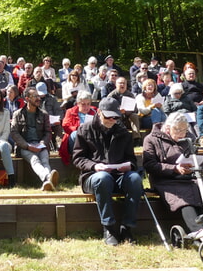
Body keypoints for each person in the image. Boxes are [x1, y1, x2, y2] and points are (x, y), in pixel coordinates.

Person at [72, 97, 142, 246]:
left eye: (116, 117)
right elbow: (78, 159)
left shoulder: (123, 132)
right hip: (93, 176)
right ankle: (109, 228)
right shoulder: (84, 130)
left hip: (118, 176)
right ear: (99, 112)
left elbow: (132, 160)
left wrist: (129, 165)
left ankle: (127, 228)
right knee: (102, 178)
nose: (112, 120)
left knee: (135, 179)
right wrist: (94, 166)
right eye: (108, 116)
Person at [143, 112, 203, 234]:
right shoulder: (151, 139)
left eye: (184, 129)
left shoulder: (189, 138)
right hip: (166, 179)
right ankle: (199, 232)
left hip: (191, 176)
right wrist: (174, 168)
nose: (182, 133)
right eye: (178, 129)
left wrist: (196, 164)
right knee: (184, 198)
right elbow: (149, 165)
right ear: (168, 128)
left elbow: (198, 157)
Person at [11, 86, 59, 191]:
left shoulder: (44, 114)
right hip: (24, 147)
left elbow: (48, 132)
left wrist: (41, 143)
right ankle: (48, 177)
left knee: (45, 160)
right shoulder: (17, 114)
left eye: (38, 96)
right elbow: (14, 133)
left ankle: (47, 182)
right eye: (35, 96)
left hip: (40, 145)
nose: (38, 98)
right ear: (27, 99)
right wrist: (27, 146)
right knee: (35, 159)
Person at [59, 90, 96, 165]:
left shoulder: (94, 111)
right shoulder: (70, 111)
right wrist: (80, 128)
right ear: (78, 103)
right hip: (75, 141)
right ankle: (79, 157)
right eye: (83, 104)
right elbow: (66, 126)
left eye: (88, 104)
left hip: (90, 139)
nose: (86, 107)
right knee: (76, 134)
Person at [107, 77, 141, 145]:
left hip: (128, 118)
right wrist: (119, 111)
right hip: (116, 119)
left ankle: (136, 139)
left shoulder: (130, 95)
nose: (122, 85)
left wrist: (127, 111)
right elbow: (108, 109)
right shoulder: (111, 96)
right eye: (120, 83)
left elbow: (135, 109)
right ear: (116, 85)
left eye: (124, 83)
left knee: (134, 116)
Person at [38, 82, 62, 151]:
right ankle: (47, 145)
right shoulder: (35, 100)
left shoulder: (52, 98)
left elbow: (58, 110)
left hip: (52, 120)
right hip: (40, 121)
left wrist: (58, 119)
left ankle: (59, 145)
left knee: (58, 128)